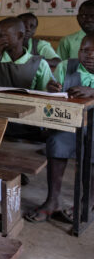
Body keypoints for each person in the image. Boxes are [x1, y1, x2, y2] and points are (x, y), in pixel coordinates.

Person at [25, 34, 94, 223]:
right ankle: (52, 200)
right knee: (57, 141)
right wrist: (53, 89)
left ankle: (87, 201)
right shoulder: (67, 66)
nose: (90, 55)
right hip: (73, 122)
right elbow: (55, 95)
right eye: (85, 50)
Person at [0, 17, 56, 90]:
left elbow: (45, 92)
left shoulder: (40, 64)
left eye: (2, 36)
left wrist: (50, 88)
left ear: (20, 35)